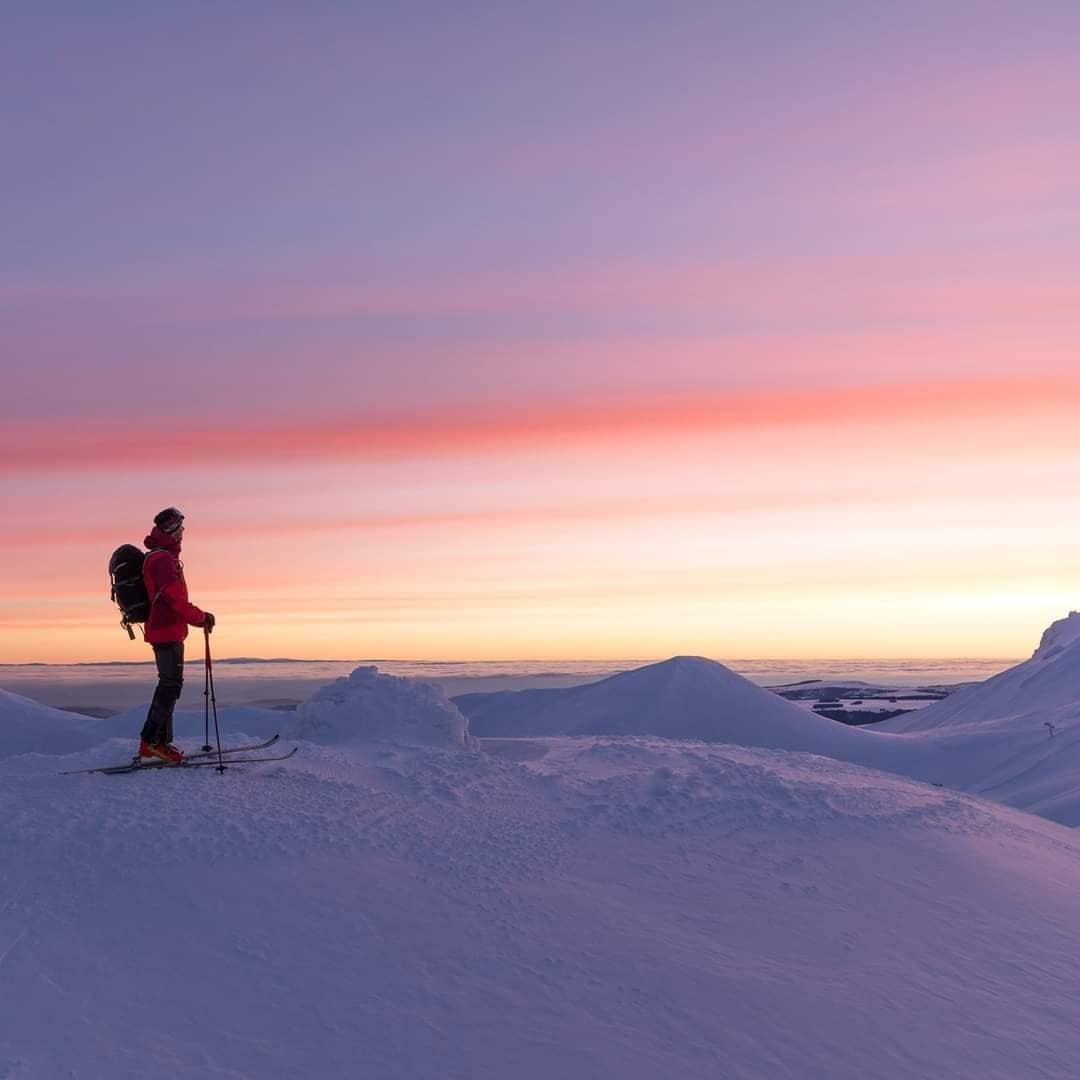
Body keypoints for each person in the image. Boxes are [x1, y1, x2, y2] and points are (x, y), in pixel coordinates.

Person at [138, 507, 215, 763]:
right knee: (169, 686)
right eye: (179, 527)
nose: (183, 532)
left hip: (164, 629)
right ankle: (151, 742)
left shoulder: (160, 557)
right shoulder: (162, 561)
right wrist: (201, 617)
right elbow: (174, 599)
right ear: (170, 530)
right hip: (166, 630)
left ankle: (160, 742)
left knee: (169, 684)